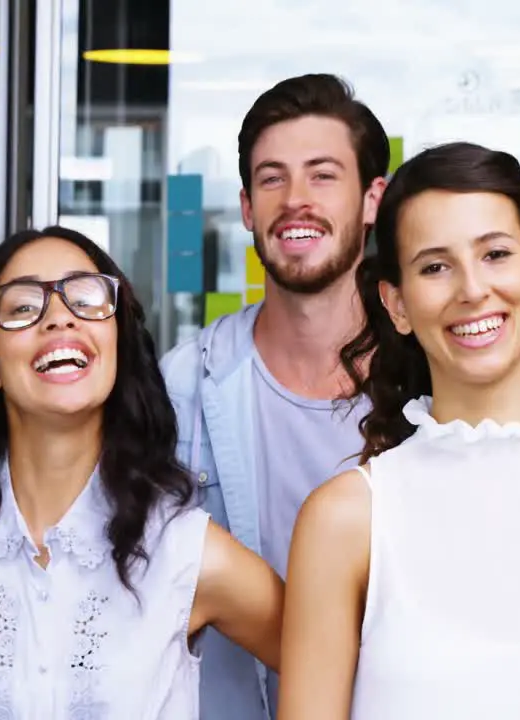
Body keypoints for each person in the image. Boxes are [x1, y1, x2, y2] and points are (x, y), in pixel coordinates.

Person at [278, 141, 520, 719]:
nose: (471, 289)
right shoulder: (344, 522)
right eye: (435, 266)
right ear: (397, 304)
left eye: (494, 254)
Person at [0, 226, 285, 718]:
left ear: (116, 342)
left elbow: (347, 667)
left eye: (85, 298)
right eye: (22, 307)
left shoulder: (185, 549)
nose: (59, 319)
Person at [159, 73, 389, 718]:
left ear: (373, 199)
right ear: (245, 208)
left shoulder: (435, 391)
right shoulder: (178, 388)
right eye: (272, 178)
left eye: (322, 175)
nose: (295, 200)